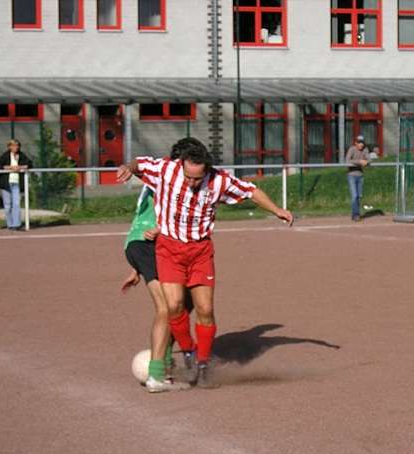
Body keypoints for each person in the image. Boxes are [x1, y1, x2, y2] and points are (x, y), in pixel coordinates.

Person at [117, 139, 293, 388]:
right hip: (168, 248)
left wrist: (277, 210)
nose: (191, 184)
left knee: (204, 309)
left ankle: (201, 363)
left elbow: (251, 191)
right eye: (188, 177)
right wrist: (127, 166)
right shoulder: (166, 170)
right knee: (174, 306)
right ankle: (187, 353)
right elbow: (140, 163)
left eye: (197, 179)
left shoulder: (219, 181)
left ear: (207, 170)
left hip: (200, 250)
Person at [121, 184, 191, 393]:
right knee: (167, 307)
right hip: (148, 244)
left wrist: (136, 268)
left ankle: (165, 364)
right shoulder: (169, 179)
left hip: (141, 245)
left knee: (184, 302)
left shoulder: (160, 176)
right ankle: (157, 374)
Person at [0, 139, 32, 230]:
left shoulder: (21, 155)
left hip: (16, 183)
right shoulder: (5, 155)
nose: (15, 147)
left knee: (16, 204)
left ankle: (16, 224)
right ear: (9, 147)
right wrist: (9, 168)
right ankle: (10, 224)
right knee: (8, 205)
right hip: (6, 183)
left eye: (17, 145)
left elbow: (29, 164)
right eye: (13, 145)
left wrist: (19, 167)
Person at [345, 135, 369, 221]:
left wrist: (367, 161)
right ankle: (356, 215)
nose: (361, 144)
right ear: (356, 143)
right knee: (354, 196)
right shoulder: (352, 149)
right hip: (351, 175)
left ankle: (354, 214)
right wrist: (359, 162)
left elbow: (368, 159)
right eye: (359, 142)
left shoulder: (365, 149)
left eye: (362, 142)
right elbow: (347, 161)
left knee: (359, 196)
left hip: (360, 176)